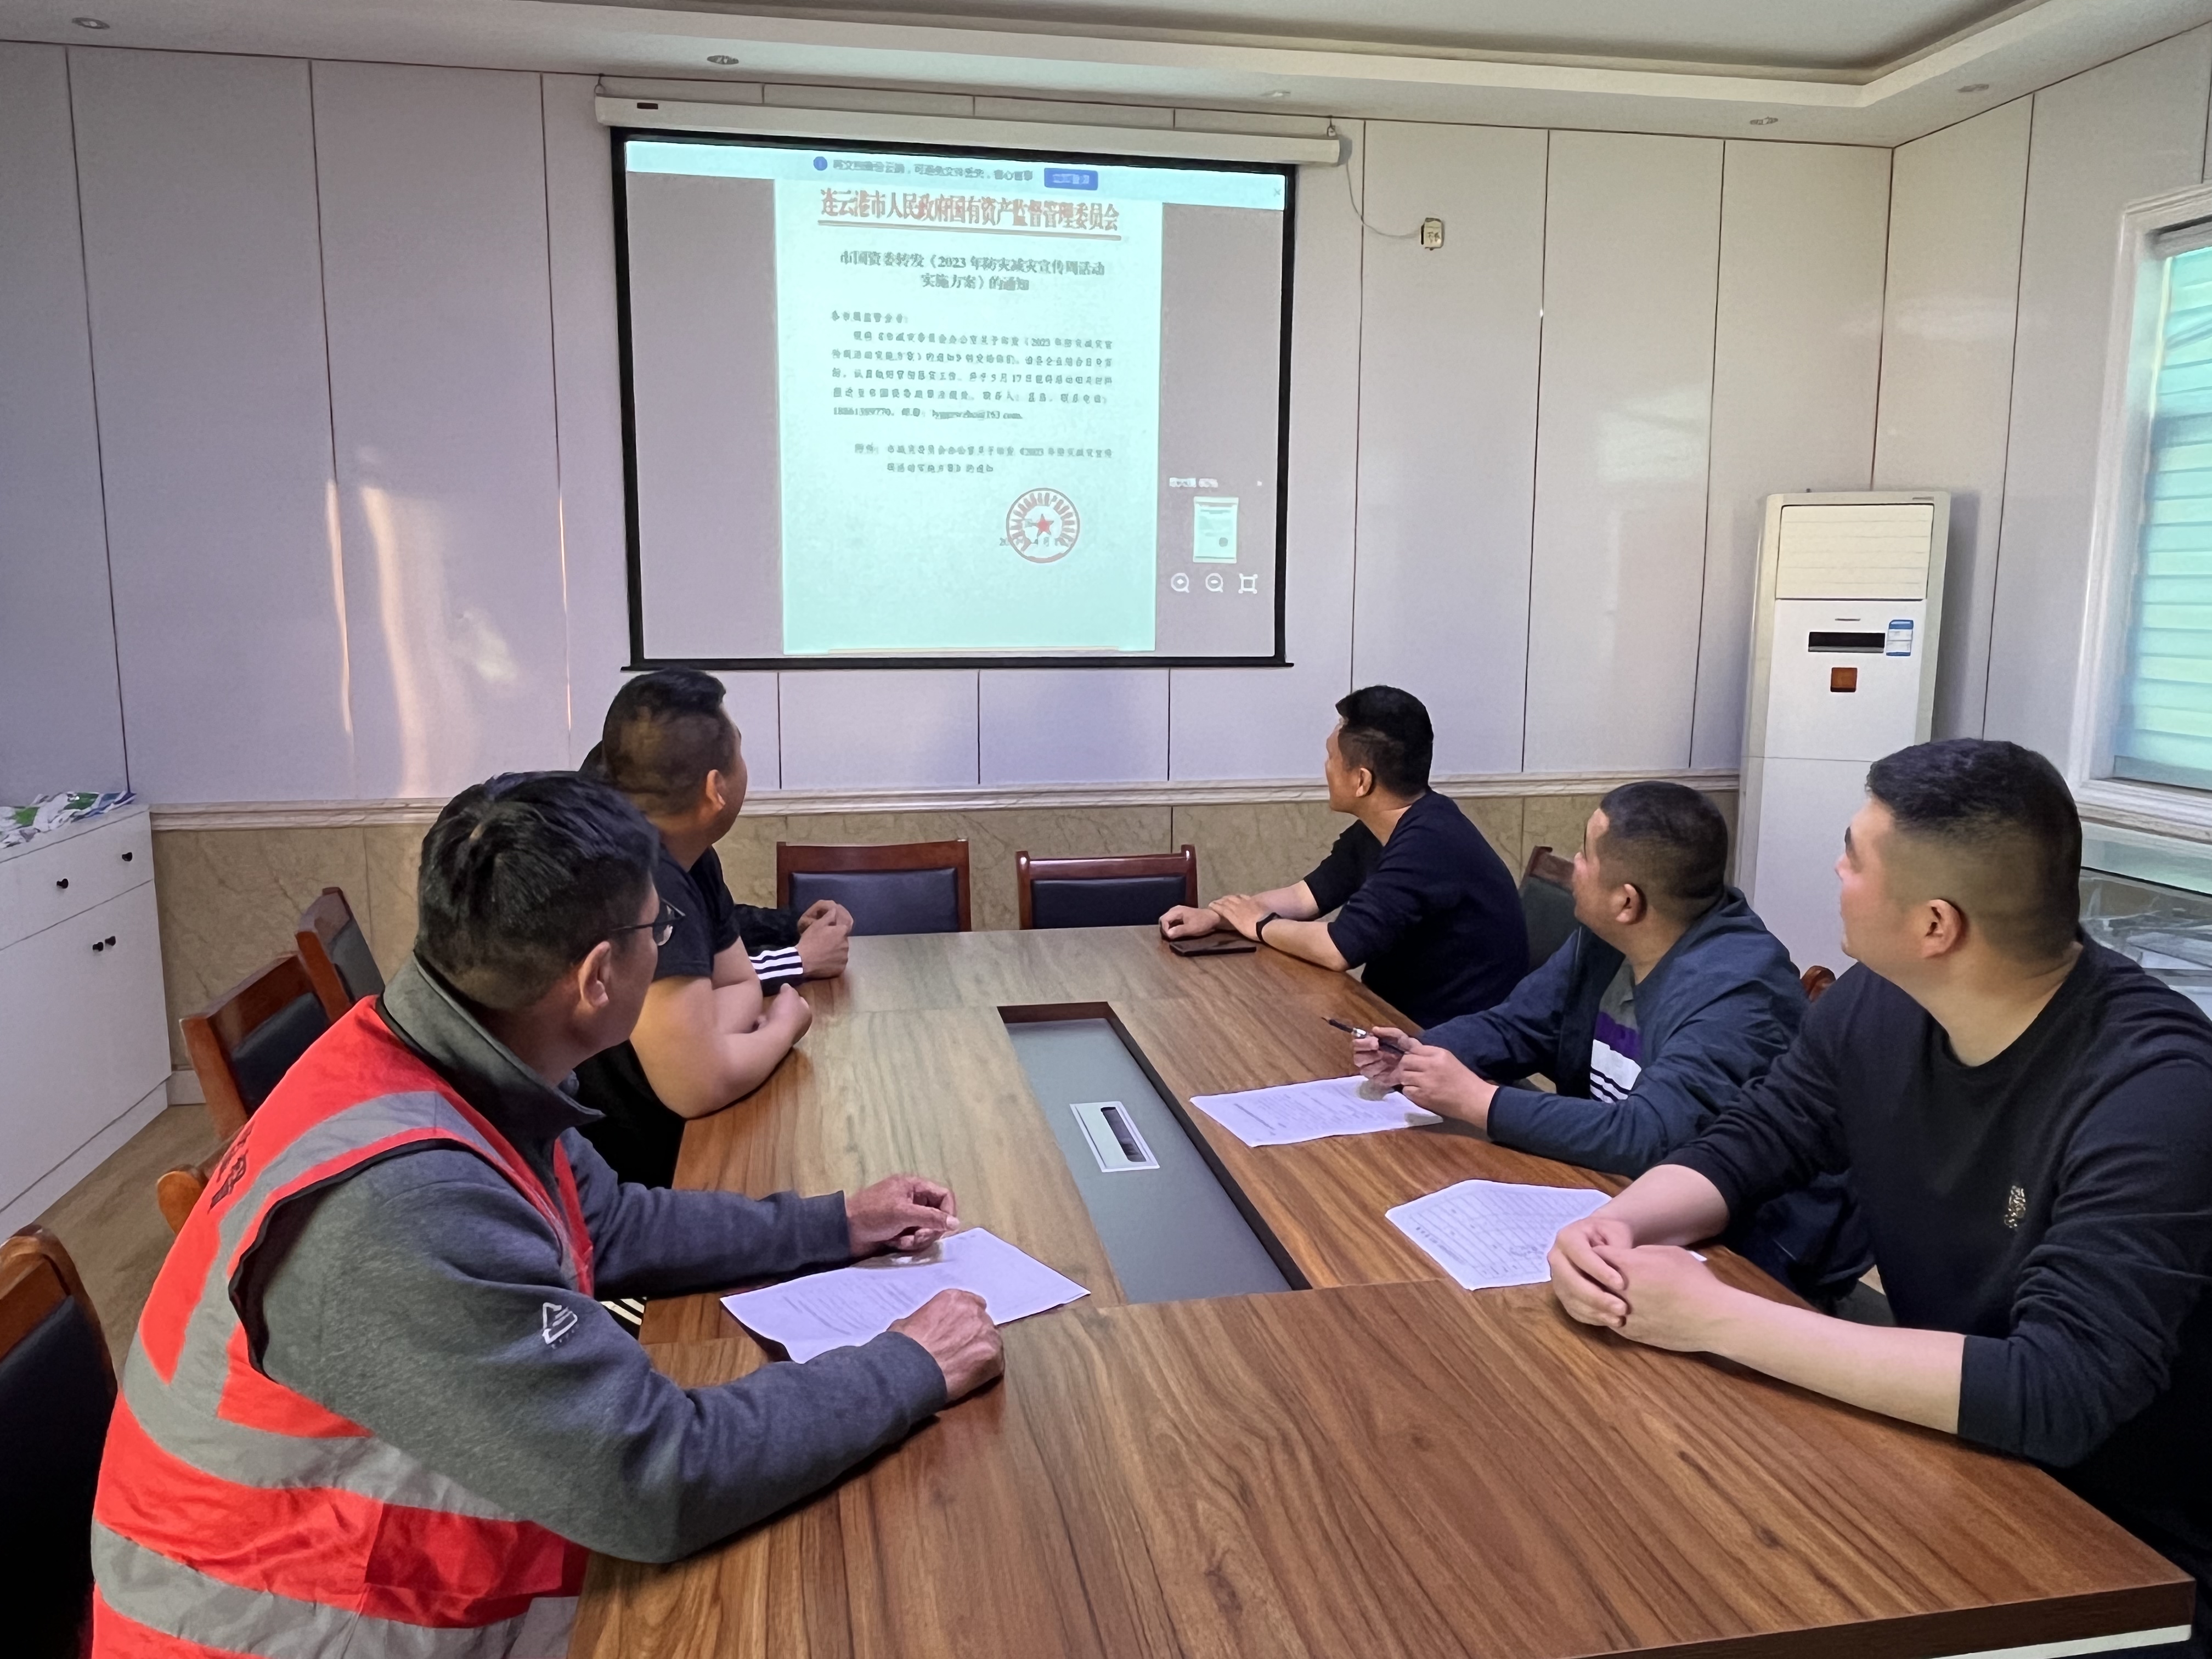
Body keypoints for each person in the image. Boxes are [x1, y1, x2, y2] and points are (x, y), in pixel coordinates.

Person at [91, 772, 1001, 1657]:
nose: (668, 948)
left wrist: (836, 1222)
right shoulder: (403, 1205)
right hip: (294, 1627)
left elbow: (608, 1225)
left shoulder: (451, 1056)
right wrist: (909, 1363)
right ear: (599, 976)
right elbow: (653, 1478)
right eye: (660, 930)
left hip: (397, 1561)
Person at [1548, 740, 2212, 1655]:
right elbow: (1756, 1139)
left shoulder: (2154, 1090)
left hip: (2126, 1552)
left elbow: (2061, 1388)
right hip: (1951, 1454)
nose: (1836, 870)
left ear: (1936, 924)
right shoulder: (1879, 999)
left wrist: (1714, 1316)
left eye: (1855, 856)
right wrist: (1613, 1226)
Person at [1352, 780, 1865, 1304]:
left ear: (1627, 901)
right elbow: (1519, 1026)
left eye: (1586, 855)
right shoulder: (1607, 939)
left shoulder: (1738, 990)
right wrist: (1419, 1053)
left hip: (1749, 1255)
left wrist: (1479, 1101)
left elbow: (1652, 1138)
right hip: (1607, 1195)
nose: (1574, 866)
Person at [575, 669, 852, 1186]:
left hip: (664, 1134)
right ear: (715, 788)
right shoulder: (639, 878)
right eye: (739, 752)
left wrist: (711, 1035)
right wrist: (782, 1025)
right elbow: (696, 1086)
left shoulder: (688, 851)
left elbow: (738, 981)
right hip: (628, 1176)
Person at [1159, 685, 1526, 1028]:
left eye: (1331, 757)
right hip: (1392, 1021)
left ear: (1362, 781)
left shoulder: (1429, 844)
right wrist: (1219, 917)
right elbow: (1306, 896)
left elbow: (1338, 949)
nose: (1326, 767)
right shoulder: (1389, 825)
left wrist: (1260, 925)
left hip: (1446, 1042)